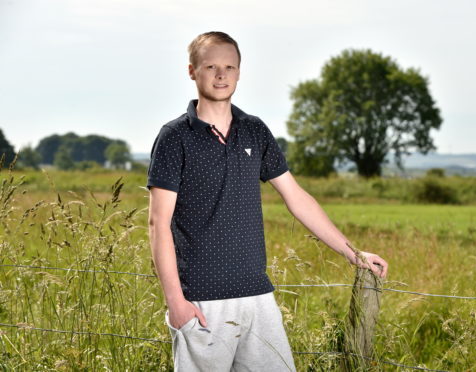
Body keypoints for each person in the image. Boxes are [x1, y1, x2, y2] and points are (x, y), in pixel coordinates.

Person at [146, 31, 388, 372]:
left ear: (239, 73)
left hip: (257, 296)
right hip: (201, 299)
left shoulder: (254, 130)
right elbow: (158, 224)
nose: (221, 75)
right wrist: (176, 303)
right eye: (211, 66)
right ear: (192, 71)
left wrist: (353, 252)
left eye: (229, 67)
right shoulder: (175, 137)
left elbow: (297, 197)